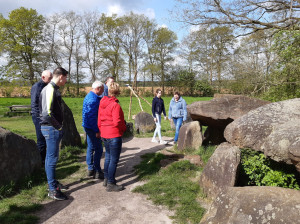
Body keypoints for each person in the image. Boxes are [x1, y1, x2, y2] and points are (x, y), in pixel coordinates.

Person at [39, 67, 69, 200]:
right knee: (52, 159)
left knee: (50, 159)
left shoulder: (53, 89)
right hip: (50, 129)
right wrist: (58, 127)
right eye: (66, 77)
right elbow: (46, 113)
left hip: (51, 128)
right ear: (61, 76)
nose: (66, 80)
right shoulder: (50, 89)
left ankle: (53, 183)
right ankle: (53, 190)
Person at [98, 82, 126, 192]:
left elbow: (99, 119)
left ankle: (106, 179)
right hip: (114, 134)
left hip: (104, 134)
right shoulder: (115, 105)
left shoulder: (102, 102)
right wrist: (123, 129)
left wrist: (101, 130)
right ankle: (111, 183)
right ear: (118, 92)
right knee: (114, 160)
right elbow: (117, 122)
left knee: (108, 157)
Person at [82, 81, 104, 179]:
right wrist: (97, 131)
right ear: (98, 88)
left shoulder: (91, 96)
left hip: (87, 126)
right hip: (92, 127)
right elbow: (91, 117)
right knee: (99, 149)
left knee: (90, 147)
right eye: (102, 89)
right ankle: (97, 170)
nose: (103, 91)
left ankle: (90, 169)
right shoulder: (93, 100)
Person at [31, 70, 53, 165]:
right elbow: (34, 104)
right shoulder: (37, 87)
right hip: (39, 117)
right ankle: (41, 162)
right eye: (50, 78)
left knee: (47, 139)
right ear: (43, 77)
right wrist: (39, 118)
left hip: (46, 117)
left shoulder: (47, 86)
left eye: (52, 77)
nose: (51, 79)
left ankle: (46, 161)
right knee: (41, 140)